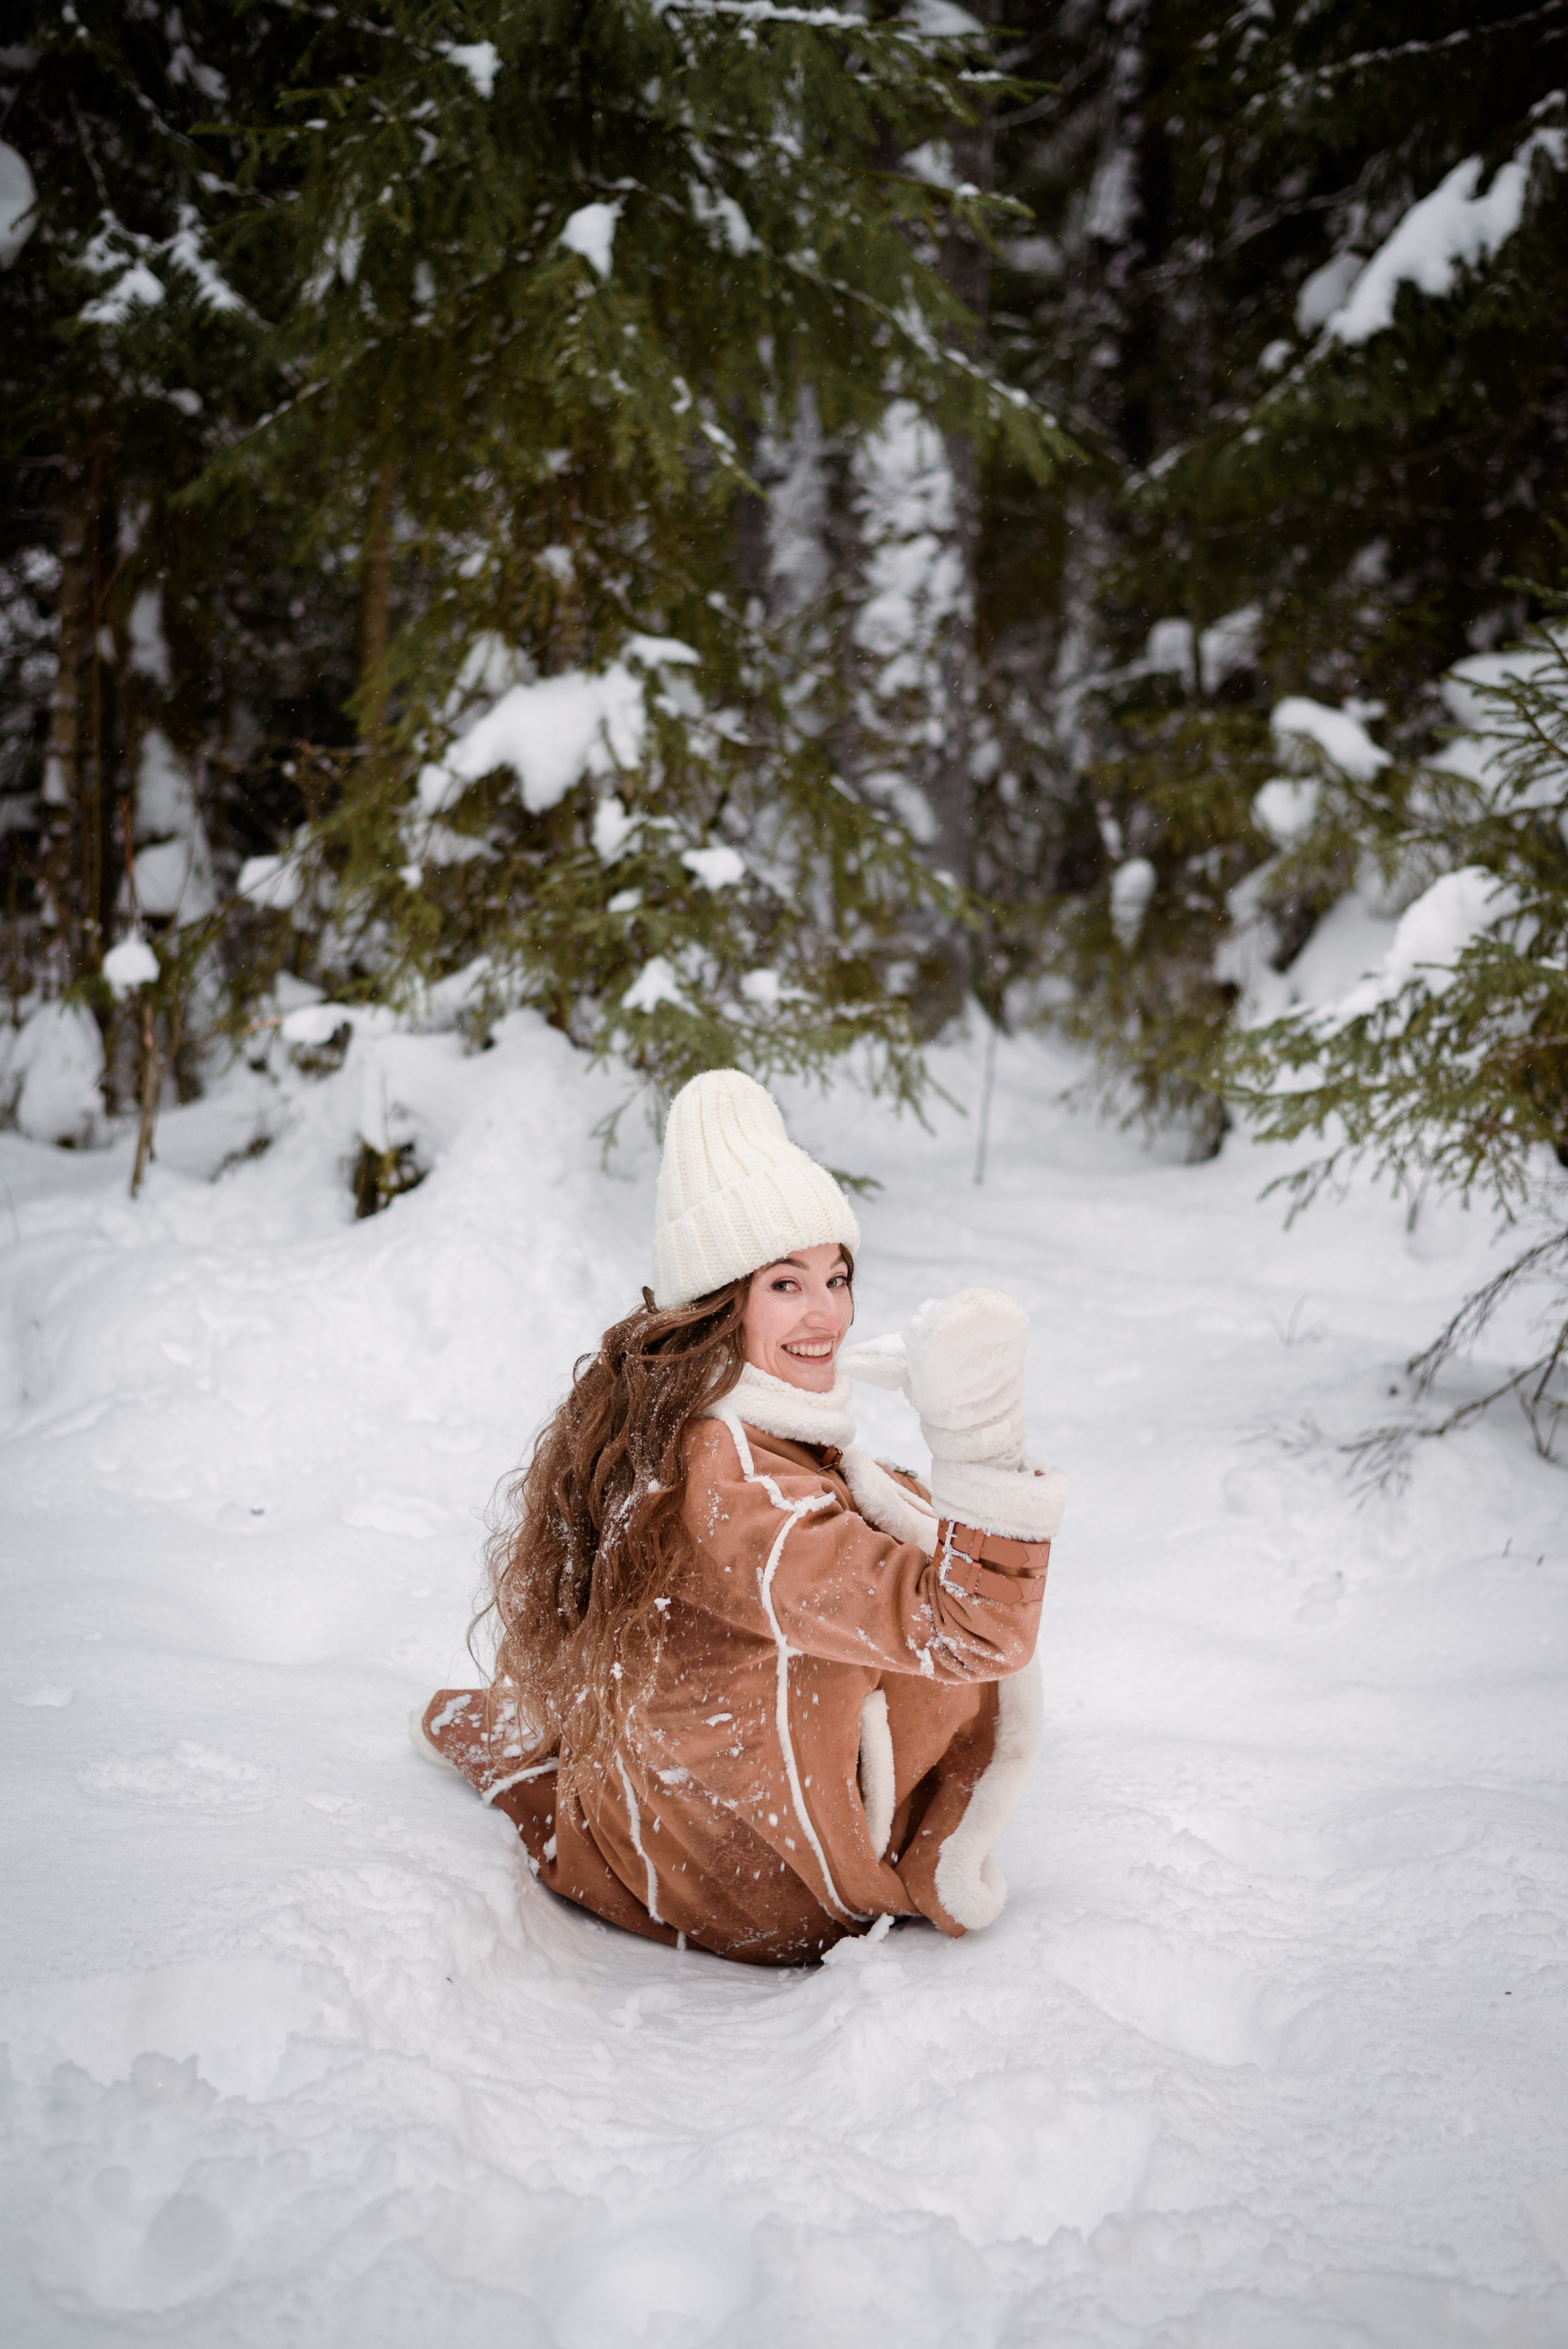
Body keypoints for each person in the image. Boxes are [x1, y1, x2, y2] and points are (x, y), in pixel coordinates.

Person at [415, 1068, 1068, 1964]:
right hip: (766, 1892)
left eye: (837, 1278)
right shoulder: (734, 1485)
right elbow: (971, 1631)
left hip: (697, 1833)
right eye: (787, 1285)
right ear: (723, 1302)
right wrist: (983, 1446)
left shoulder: (686, 1426)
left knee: (898, 1512)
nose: (829, 1314)